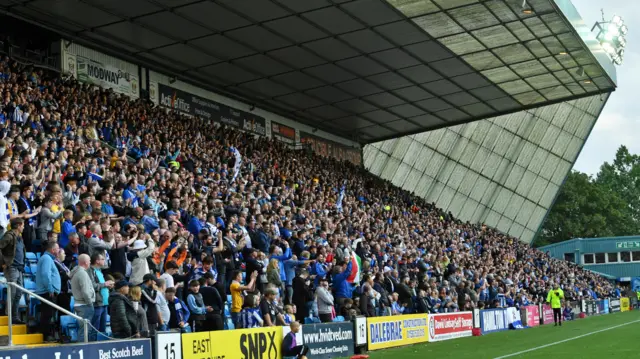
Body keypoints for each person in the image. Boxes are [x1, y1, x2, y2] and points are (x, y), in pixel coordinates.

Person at [0, 218, 27, 323]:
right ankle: (9, 315)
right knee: (13, 291)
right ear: (19, 225)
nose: (24, 227)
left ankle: (14, 316)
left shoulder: (19, 237)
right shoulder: (9, 236)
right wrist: (3, 263)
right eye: (23, 225)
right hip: (11, 267)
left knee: (19, 293)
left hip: (20, 268)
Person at [35, 241, 61, 342]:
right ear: (53, 249)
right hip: (47, 291)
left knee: (49, 314)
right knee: (47, 314)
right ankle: (46, 335)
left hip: (48, 291)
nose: (59, 251)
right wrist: (50, 288)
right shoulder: (46, 258)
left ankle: (47, 335)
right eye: (58, 248)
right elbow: (45, 274)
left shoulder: (48, 258)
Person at [69, 254, 96, 342]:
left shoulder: (77, 272)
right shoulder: (82, 273)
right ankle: (83, 350)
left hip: (80, 303)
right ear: (85, 262)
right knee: (85, 330)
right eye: (89, 261)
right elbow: (85, 291)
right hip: (84, 305)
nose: (90, 262)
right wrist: (89, 302)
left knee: (84, 329)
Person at [89, 253, 113, 341]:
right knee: (95, 328)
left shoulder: (99, 271)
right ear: (97, 261)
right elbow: (93, 286)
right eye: (102, 259)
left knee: (102, 329)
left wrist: (107, 286)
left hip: (104, 303)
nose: (104, 260)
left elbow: (101, 285)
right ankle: (92, 347)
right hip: (97, 303)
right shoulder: (91, 271)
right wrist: (105, 284)